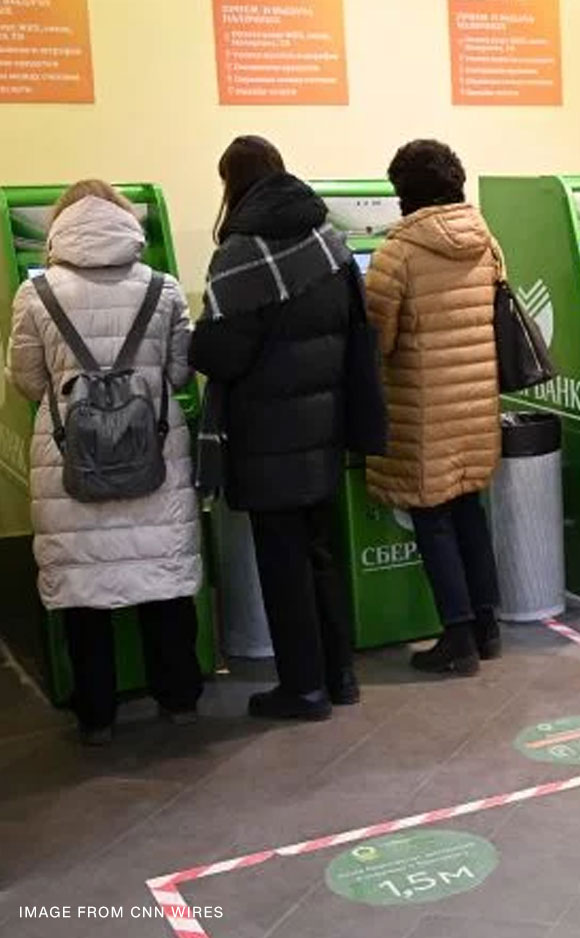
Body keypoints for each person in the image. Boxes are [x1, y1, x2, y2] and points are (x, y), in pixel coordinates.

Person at [5, 180, 204, 745]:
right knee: (163, 576)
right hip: (154, 450)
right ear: (127, 222)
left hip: (70, 456)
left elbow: (28, 381)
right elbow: (180, 371)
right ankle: (180, 699)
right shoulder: (163, 288)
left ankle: (97, 716)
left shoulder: (35, 293)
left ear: (59, 228)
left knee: (82, 589)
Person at [190, 136, 359, 721]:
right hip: (324, 428)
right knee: (320, 554)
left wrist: (196, 339)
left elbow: (221, 355)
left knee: (283, 564)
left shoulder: (240, 254)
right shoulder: (330, 241)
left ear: (232, 184)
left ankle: (303, 689)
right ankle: (339, 676)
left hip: (266, 439)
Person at [363, 139, 502, 677]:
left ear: (405, 192)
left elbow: (377, 338)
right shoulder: (485, 240)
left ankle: (458, 638)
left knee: (432, 517)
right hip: (475, 402)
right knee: (468, 509)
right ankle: (487, 628)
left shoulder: (397, 253)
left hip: (422, 409)